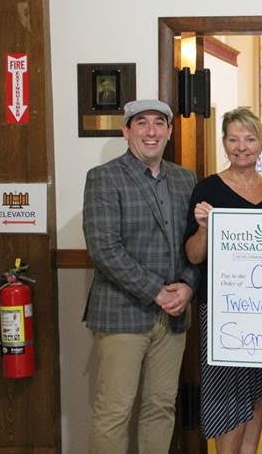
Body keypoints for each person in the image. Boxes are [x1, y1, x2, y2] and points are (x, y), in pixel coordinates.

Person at [82, 99, 198, 453]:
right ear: (126, 131)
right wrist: (156, 292)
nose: (151, 131)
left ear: (169, 131)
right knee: (114, 412)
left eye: (159, 123)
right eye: (142, 123)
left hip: (174, 317)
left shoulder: (185, 178)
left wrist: (189, 287)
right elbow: (104, 249)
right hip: (121, 315)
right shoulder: (103, 177)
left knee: (161, 408)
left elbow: (194, 243)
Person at [184, 107, 262, 453]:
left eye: (249, 139)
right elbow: (193, 256)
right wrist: (204, 228)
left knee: (257, 392)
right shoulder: (207, 190)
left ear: (261, 143)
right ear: (224, 143)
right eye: (234, 139)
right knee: (227, 395)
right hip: (223, 314)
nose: (242, 146)